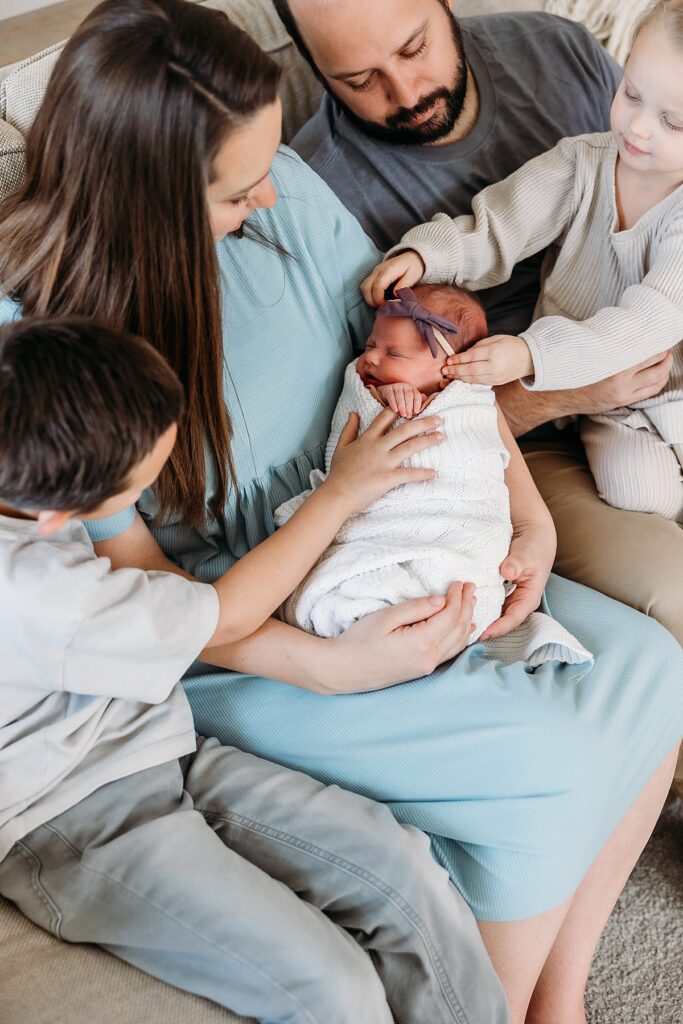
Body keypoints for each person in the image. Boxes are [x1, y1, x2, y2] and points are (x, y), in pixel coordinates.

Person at [0, 3, 680, 1022]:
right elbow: (138, 590)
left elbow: (418, 362)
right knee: (539, 761)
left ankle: (559, 999)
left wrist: (526, 515)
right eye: (237, 189)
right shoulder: (51, 339)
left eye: (267, 165)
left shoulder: (282, 194)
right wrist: (329, 666)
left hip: (403, 514)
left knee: (651, 668)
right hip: (246, 624)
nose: (270, 194)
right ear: (149, 190)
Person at [0, 315, 503, 1024]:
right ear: (60, 516)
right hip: (67, 816)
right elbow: (227, 616)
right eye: (136, 488)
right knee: (332, 989)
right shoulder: (38, 594)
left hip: (160, 745)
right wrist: (340, 493)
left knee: (403, 870)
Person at [275, 0, 683, 644]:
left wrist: (542, 356)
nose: (405, 92)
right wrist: (426, 255)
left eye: (413, 47)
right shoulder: (307, 197)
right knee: (651, 513)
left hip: (646, 372)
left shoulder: (557, 49)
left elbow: (653, 316)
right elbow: (496, 226)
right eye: (360, 79)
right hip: (520, 432)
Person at [363, 0, 683, 524]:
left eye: (672, 122)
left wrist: (531, 353)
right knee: (643, 495)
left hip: (667, 381)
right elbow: (499, 225)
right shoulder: (580, 164)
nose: (639, 128)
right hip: (604, 399)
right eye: (631, 94)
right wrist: (427, 254)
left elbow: (644, 324)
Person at [276, 282, 592, 671]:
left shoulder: (471, 402)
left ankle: (433, 616)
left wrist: (535, 528)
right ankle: (392, 619)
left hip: (455, 525)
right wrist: (385, 400)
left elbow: (482, 458)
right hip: (381, 525)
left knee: (466, 586)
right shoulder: (370, 387)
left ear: (449, 372)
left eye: (393, 353)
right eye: (370, 344)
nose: (370, 358)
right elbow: (353, 424)